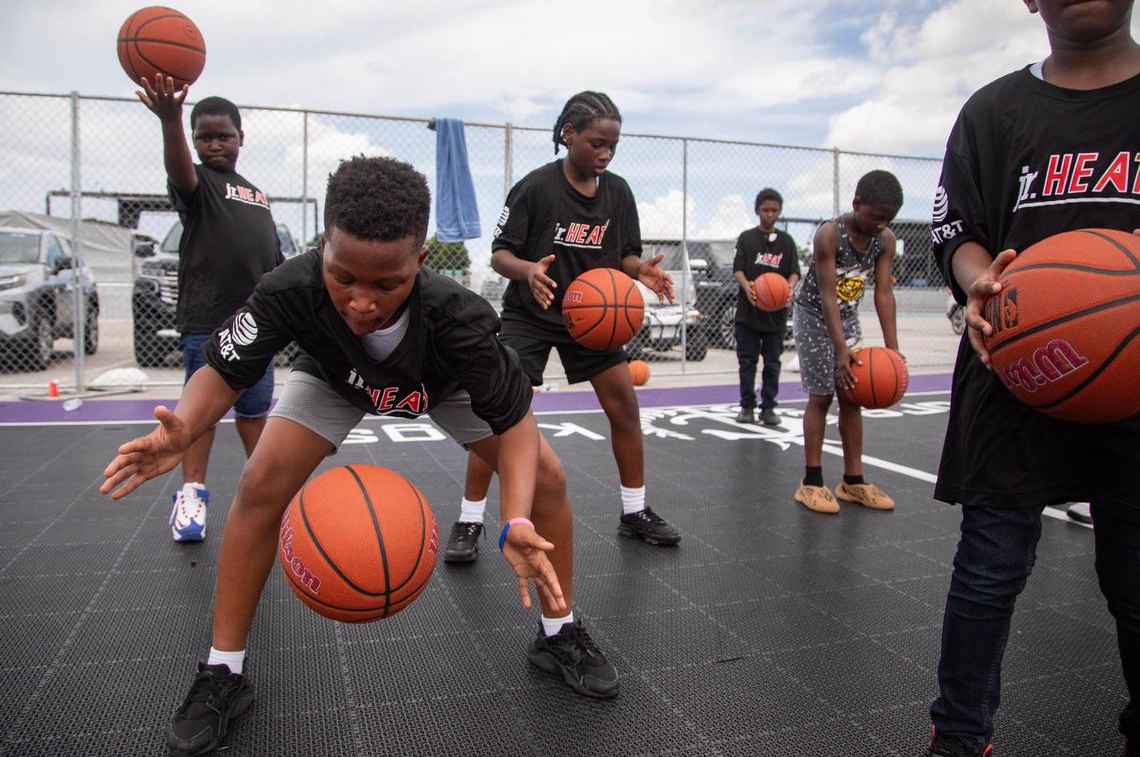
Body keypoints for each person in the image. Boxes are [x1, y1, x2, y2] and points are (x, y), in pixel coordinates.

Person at [100, 156, 620, 757]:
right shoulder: (289, 288)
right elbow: (222, 370)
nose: (362, 302)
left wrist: (520, 517)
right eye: (343, 276)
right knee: (261, 481)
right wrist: (185, 426)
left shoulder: (459, 317)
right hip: (336, 377)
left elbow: (517, 425)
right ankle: (223, 671)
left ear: (420, 262)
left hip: (439, 382)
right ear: (324, 246)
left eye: (386, 284)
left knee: (549, 477)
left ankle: (557, 632)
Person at [927, 0, 1140, 755]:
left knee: (1135, 581)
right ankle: (959, 735)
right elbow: (957, 231)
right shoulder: (995, 110)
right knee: (987, 571)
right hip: (1016, 369)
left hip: (1132, 382)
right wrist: (979, 280)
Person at [443, 91, 681, 564]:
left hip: (592, 320)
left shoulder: (619, 193)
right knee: (499, 413)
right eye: (596, 143)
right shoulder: (535, 188)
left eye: (612, 145)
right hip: (533, 312)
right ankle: (470, 518)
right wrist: (529, 270)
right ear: (568, 135)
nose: (605, 154)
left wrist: (640, 271)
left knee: (624, 408)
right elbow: (500, 254)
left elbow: (625, 253)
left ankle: (634, 511)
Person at [137, 76, 283, 543]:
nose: (214, 143)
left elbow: (270, 261)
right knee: (197, 417)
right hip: (206, 323)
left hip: (256, 325)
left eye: (224, 135)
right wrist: (170, 121)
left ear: (242, 137)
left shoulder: (257, 195)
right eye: (205, 136)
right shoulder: (196, 184)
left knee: (254, 413)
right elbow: (179, 170)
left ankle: (264, 492)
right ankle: (192, 495)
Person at [790, 170, 903, 515]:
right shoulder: (830, 235)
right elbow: (826, 296)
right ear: (857, 205)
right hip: (813, 316)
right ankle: (811, 483)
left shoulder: (884, 240)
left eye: (888, 219)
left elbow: (883, 293)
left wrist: (893, 350)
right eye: (876, 217)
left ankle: (853, 482)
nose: (881, 224)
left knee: (851, 395)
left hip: (847, 317)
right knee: (822, 396)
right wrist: (840, 349)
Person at [732, 187, 801, 427]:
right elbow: (738, 269)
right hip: (748, 314)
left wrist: (788, 288)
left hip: (775, 315)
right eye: (765, 210)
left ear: (780, 212)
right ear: (756, 211)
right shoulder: (747, 238)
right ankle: (747, 406)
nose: (770, 214)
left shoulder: (787, 241)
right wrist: (747, 286)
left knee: (772, 363)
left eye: (774, 210)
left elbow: (794, 272)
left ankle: (768, 407)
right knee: (747, 362)